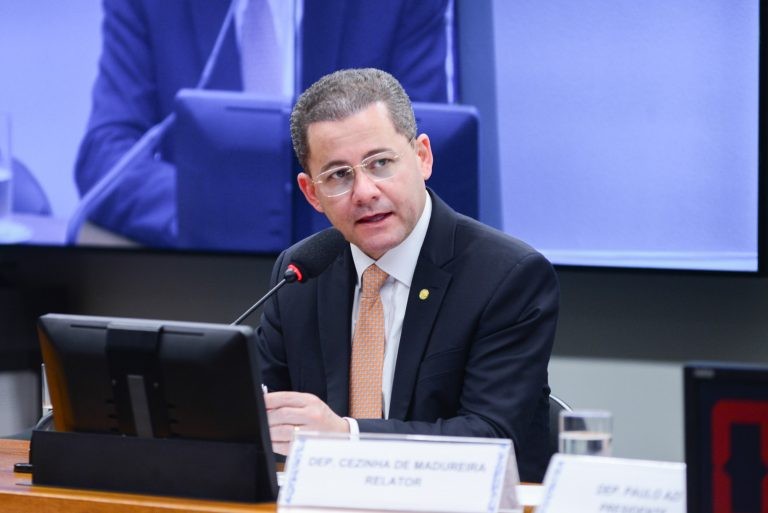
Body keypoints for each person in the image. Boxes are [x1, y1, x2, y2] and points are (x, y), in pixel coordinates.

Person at [258, 68, 559, 483]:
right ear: (312, 193)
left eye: (380, 163)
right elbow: (260, 423)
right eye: (339, 175)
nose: (364, 192)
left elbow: (493, 438)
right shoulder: (299, 275)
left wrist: (347, 437)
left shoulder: (506, 277)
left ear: (422, 157)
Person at [75, 0, 451, 247]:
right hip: (203, 264)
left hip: (349, 257)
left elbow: (425, 153)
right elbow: (105, 156)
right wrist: (215, 213)